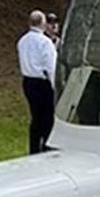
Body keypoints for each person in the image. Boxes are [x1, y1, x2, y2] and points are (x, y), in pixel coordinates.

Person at [18, 10, 58, 153]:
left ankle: (34, 148)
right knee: (47, 118)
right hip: (42, 82)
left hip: (28, 81)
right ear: (43, 23)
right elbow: (51, 66)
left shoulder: (22, 41)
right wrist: (55, 86)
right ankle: (46, 147)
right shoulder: (45, 42)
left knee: (36, 116)